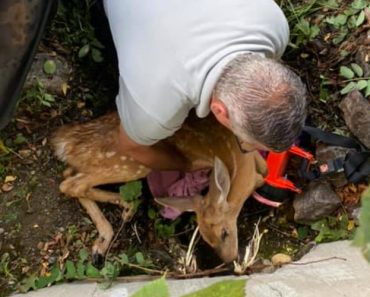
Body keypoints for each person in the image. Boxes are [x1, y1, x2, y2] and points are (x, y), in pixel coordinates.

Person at [103, 0, 307, 171]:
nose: (246, 147)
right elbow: (130, 147)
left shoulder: (273, 24)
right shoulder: (155, 109)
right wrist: (187, 165)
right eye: (247, 145)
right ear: (219, 111)